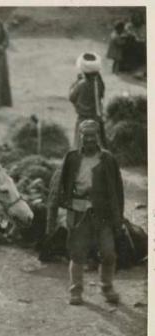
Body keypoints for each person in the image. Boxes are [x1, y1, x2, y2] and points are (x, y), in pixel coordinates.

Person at [57, 120, 124, 305]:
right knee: (77, 253)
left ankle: (107, 287)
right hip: (79, 214)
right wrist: (67, 205)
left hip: (103, 215)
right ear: (80, 137)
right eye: (85, 136)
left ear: (98, 137)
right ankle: (76, 291)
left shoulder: (108, 159)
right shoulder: (71, 158)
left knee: (108, 253)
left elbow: (117, 190)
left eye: (92, 136)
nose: (89, 139)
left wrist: (118, 217)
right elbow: (61, 185)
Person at [69, 52, 106, 148]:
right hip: (96, 118)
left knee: (79, 144)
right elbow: (101, 94)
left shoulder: (81, 84)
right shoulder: (98, 83)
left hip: (83, 118)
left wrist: (76, 82)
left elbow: (71, 97)